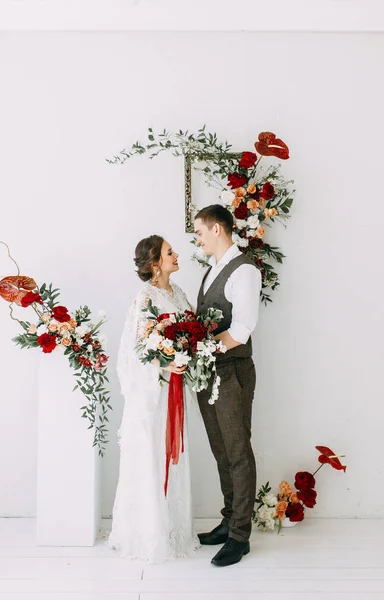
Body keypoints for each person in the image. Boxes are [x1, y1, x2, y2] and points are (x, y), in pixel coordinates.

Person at [108, 235, 199, 563]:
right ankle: (148, 533)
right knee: (152, 454)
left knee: (173, 456)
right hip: (154, 394)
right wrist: (166, 361)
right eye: (170, 252)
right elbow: (136, 350)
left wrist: (189, 351)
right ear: (155, 263)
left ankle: (174, 528)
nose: (177, 255)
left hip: (175, 388)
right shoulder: (145, 298)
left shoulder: (177, 293)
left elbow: (191, 329)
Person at [194, 204, 261, 567]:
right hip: (209, 373)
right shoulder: (210, 270)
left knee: (237, 452)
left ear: (217, 229)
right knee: (221, 451)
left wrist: (201, 346)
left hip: (233, 374)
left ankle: (240, 537)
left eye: (200, 232)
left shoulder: (245, 270)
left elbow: (241, 329)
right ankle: (228, 519)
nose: (198, 238)